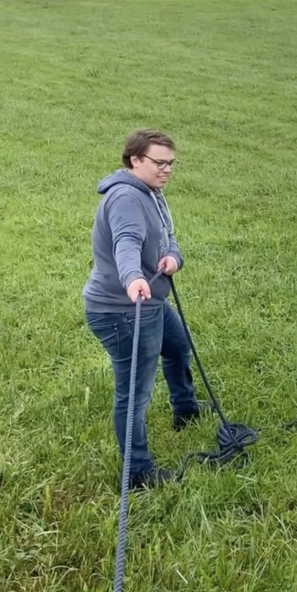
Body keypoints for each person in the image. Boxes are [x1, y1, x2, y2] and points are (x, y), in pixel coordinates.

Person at [83, 129, 205, 489]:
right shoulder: (126, 199)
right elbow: (127, 242)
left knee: (178, 347)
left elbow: (167, 238)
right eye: (159, 163)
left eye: (171, 164)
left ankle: (186, 409)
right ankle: (136, 472)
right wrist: (133, 276)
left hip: (151, 302)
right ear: (135, 160)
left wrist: (172, 258)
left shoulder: (152, 193)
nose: (167, 170)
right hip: (123, 309)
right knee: (134, 393)